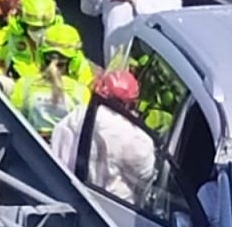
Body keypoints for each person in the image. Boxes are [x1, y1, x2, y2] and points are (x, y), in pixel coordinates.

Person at [51, 69, 157, 206]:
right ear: (132, 102)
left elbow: (57, 145)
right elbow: (146, 175)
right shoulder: (134, 135)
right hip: (114, 210)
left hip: (64, 194)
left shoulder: (78, 115)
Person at [10, 23, 90, 139]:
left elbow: (13, 121)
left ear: (41, 55)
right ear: (74, 60)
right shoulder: (81, 92)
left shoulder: (24, 84)